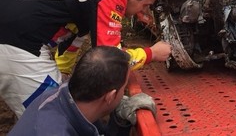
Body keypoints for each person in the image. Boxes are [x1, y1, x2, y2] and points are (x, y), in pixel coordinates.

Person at [0, 0, 171, 117]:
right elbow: (111, 58)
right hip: (15, 44)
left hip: (15, 36)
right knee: (55, 115)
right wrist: (152, 53)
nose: (142, 14)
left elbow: (72, 41)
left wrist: (64, 73)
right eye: (145, 6)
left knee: (57, 106)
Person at [8, 46, 157, 136]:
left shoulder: (60, 97)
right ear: (110, 96)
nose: (124, 94)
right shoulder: (55, 131)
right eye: (123, 89)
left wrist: (119, 121)